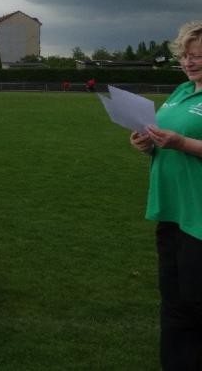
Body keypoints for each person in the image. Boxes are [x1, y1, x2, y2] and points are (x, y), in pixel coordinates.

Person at [129, 20, 202, 370]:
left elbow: (181, 141)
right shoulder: (181, 91)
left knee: (197, 303)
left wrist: (182, 142)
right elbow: (163, 139)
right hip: (171, 211)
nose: (189, 62)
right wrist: (147, 144)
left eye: (198, 56)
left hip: (198, 218)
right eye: (186, 56)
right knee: (174, 306)